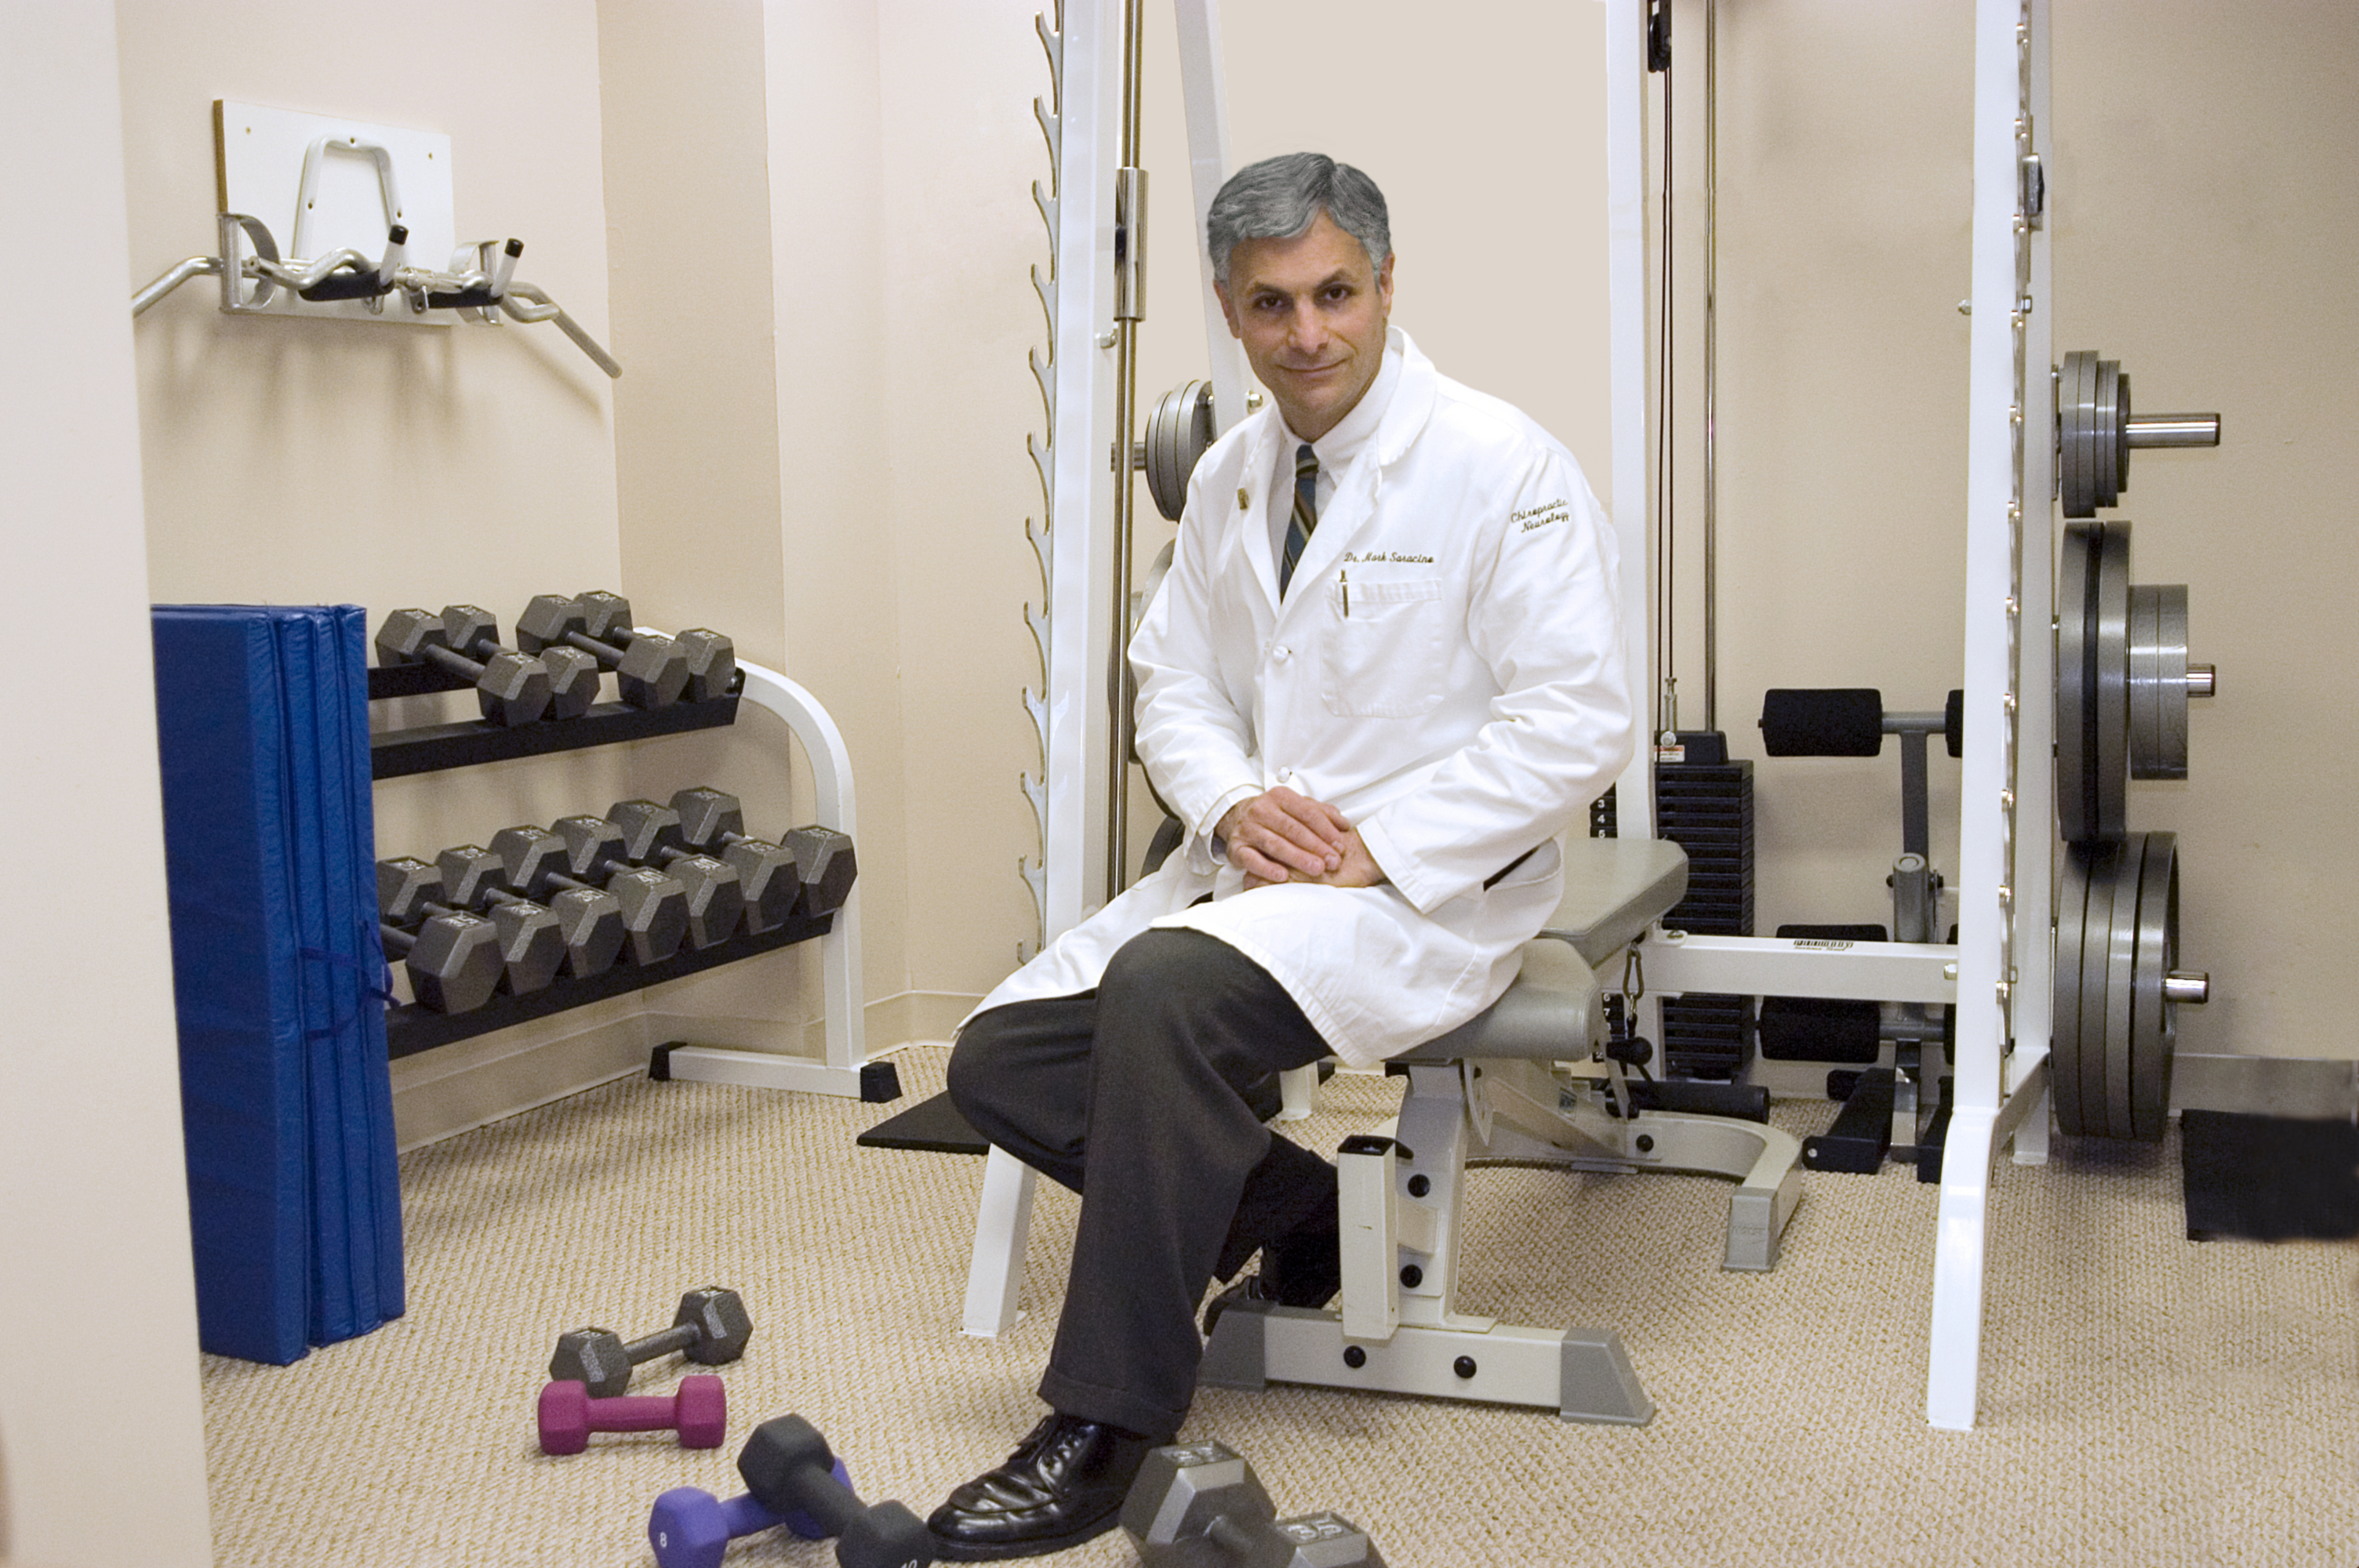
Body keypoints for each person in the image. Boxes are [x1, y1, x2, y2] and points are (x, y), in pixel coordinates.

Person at [925, 151, 1634, 1560]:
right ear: (1229, 310)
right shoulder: (1240, 477)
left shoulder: (1503, 467)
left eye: (1334, 295)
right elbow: (1173, 684)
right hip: (1262, 869)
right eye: (1271, 305)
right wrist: (1235, 805)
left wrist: (1384, 845)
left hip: (1432, 888)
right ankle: (1292, 1202)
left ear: (1384, 286)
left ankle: (1108, 1421)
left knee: (1163, 998)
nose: (1308, 336)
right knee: (997, 1062)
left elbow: (1579, 719)